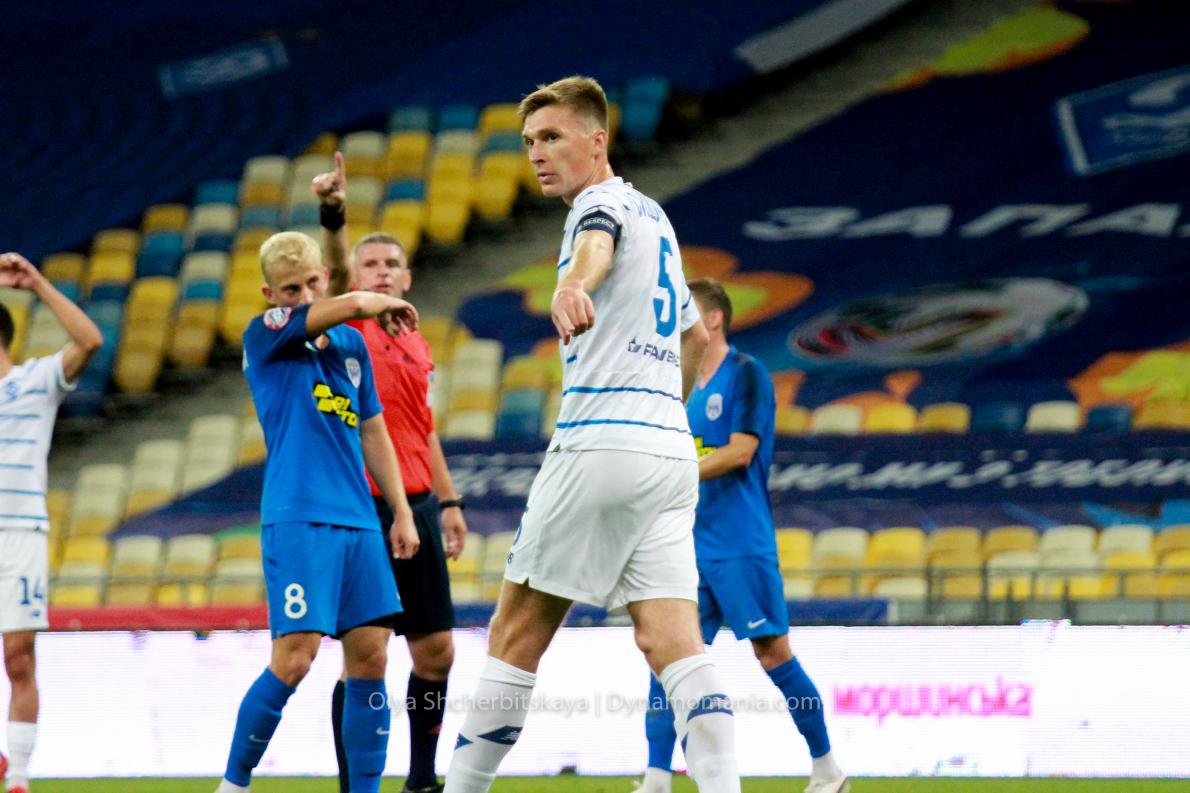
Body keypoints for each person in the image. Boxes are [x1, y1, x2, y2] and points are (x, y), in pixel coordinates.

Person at [443, 75, 740, 793]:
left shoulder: (597, 206)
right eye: (529, 142)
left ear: (597, 140)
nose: (537, 153)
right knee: (675, 643)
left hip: (601, 441)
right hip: (668, 452)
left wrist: (572, 285)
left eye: (552, 137)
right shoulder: (656, 216)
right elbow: (699, 338)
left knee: (515, 634)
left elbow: (593, 249)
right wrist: (662, 407)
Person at [214, 231, 422, 793]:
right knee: (295, 658)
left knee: (372, 659)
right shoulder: (265, 335)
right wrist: (376, 302)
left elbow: (373, 431)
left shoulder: (352, 347)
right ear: (269, 295)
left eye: (311, 284)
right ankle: (233, 784)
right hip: (300, 517)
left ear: (324, 278)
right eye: (290, 290)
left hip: (359, 522)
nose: (303, 296)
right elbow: (352, 305)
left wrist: (400, 510)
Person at [638, 278, 848, 793]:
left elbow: (741, 451)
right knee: (668, 658)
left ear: (712, 319)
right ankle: (657, 777)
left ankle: (827, 768)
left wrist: (677, 471)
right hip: (687, 543)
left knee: (773, 654)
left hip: (739, 541)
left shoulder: (747, 373)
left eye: (687, 310)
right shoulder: (676, 383)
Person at [312, 153, 469, 793]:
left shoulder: (414, 338)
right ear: (354, 278)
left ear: (406, 276)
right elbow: (334, 260)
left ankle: (422, 779)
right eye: (369, 264)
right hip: (364, 506)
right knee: (368, 656)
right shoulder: (348, 326)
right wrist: (334, 216)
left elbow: (423, 427)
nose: (380, 271)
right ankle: (356, 785)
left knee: (436, 654)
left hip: (420, 504)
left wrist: (449, 503)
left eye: (390, 264)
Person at [0, 252, 103, 793]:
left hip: (20, 534)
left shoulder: (35, 381)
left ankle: (18, 778)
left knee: (18, 658)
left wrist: (37, 284)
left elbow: (89, 340)